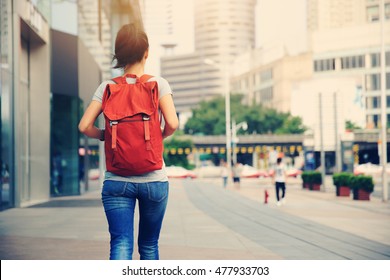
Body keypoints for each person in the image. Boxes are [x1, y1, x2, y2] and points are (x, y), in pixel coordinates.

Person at [78, 23, 179, 260]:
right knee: (149, 245)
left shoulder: (107, 88)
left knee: (120, 243)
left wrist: (105, 135)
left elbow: (84, 126)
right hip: (154, 180)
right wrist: (157, 136)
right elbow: (172, 124)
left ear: (119, 55)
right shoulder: (158, 84)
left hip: (117, 181)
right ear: (147, 52)